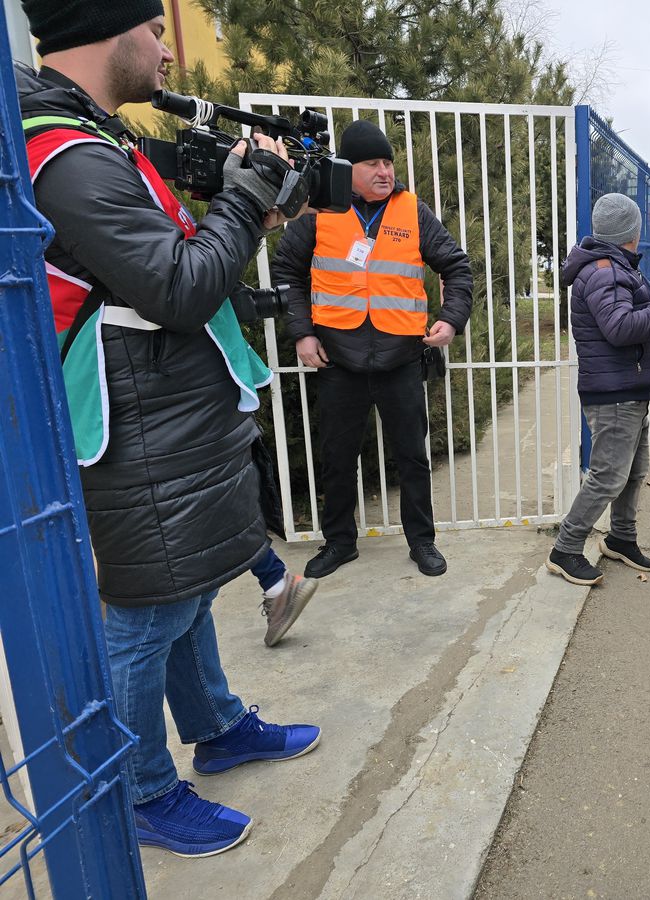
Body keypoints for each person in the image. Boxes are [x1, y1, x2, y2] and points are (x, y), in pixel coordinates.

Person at [19, 0, 320, 858]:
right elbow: (178, 287)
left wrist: (246, 209)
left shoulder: (98, 136)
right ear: (109, 30)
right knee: (147, 614)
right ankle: (140, 789)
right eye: (154, 32)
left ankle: (218, 727)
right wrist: (242, 196)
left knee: (185, 592)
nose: (167, 51)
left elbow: (181, 260)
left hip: (165, 413)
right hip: (130, 426)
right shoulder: (66, 154)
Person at [273, 120, 473, 580]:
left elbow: (457, 268)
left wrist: (450, 320)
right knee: (337, 455)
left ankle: (422, 542)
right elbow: (287, 271)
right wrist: (302, 333)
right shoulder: (320, 211)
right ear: (349, 169)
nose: (384, 171)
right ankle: (340, 542)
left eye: (388, 162)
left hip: (400, 356)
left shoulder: (411, 210)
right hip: (337, 357)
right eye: (372, 164)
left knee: (411, 455)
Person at [546, 194, 650, 586]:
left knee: (633, 471)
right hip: (615, 392)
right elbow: (620, 328)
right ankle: (566, 548)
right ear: (633, 232)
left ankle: (621, 537)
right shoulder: (606, 271)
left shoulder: (613, 267)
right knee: (607, 476)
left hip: (628, 386)